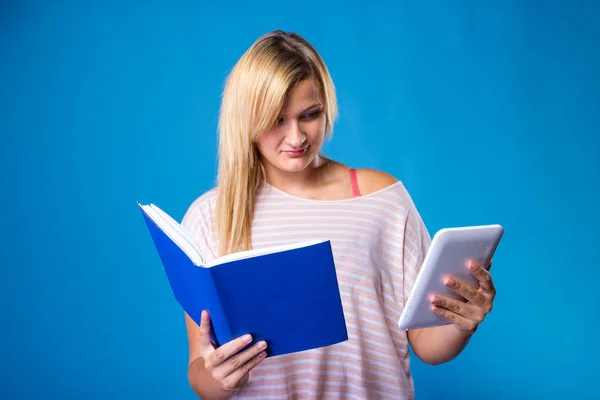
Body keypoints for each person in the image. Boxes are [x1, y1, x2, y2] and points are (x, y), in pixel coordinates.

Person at [180, 30, 496, 400]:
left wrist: (463, 321)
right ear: (246, 121)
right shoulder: (210, 216)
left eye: (309, 115)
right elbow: (199, 372)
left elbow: (427, 344)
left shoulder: (381, 199)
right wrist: (221, 376)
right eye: (276, 120)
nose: (296, 138)